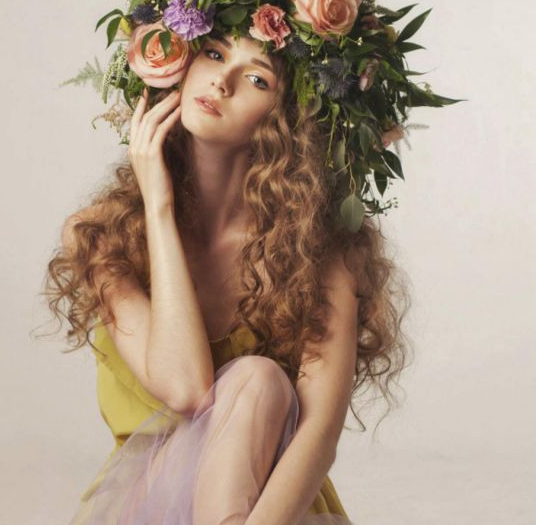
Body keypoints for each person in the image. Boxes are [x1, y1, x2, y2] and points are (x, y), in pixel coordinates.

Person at [44, 31, 412, 524]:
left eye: (257, 79)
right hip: (150, 504)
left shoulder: (320, 253)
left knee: (258, 382)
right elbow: (186, 388)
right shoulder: (102, 235)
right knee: (255, 378)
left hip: (271, 508)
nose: (222, 81)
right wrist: (158, 208)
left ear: (289, 118)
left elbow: (318, 437)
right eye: (214, 53)